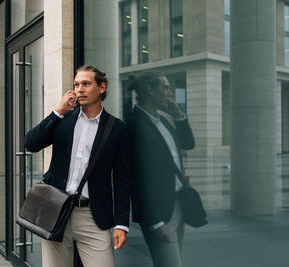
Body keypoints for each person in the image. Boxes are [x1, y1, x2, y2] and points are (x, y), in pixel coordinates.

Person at [25, 65, 130, 267]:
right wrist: (59, 110)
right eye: (76, 84)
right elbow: (31, 144)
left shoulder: (117, 128)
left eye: (86, 84)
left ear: (102, 87)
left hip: (93, 215)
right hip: (55, 211)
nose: (79, 89)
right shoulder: (63, 120)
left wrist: (121, 223)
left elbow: (122, 179)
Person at [126, 72, 195, 267]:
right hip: (159, 214)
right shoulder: (134, 125)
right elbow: (137, 179)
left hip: (177, 204)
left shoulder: (163, 121)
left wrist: (179, 115)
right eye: (165, 87)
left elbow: (188, 143)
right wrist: (154, 222)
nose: (169, 92)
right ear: (150, 90)